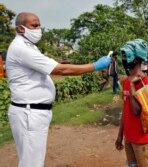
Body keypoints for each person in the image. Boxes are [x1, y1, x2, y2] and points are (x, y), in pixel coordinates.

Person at [6, 12, 112, 167]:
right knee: (31, 163)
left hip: (33, 112)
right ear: (21, 29)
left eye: (39, 25)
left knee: (32, 160)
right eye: (34, 25)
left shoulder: (29, 47)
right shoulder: (21, 48)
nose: (39, 29)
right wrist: (94, 66)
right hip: (29, 112)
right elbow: (61, 70)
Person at [115, 39, 148, 167]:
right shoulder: (125, 81)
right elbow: (125, 110)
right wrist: (120, 135)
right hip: (128, 137)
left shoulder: (145, 82)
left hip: (140, 139)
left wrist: (132, 86)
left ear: (136, 59)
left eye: (126, 56)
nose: (124, 59)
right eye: (123, 56)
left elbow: (136, 111)